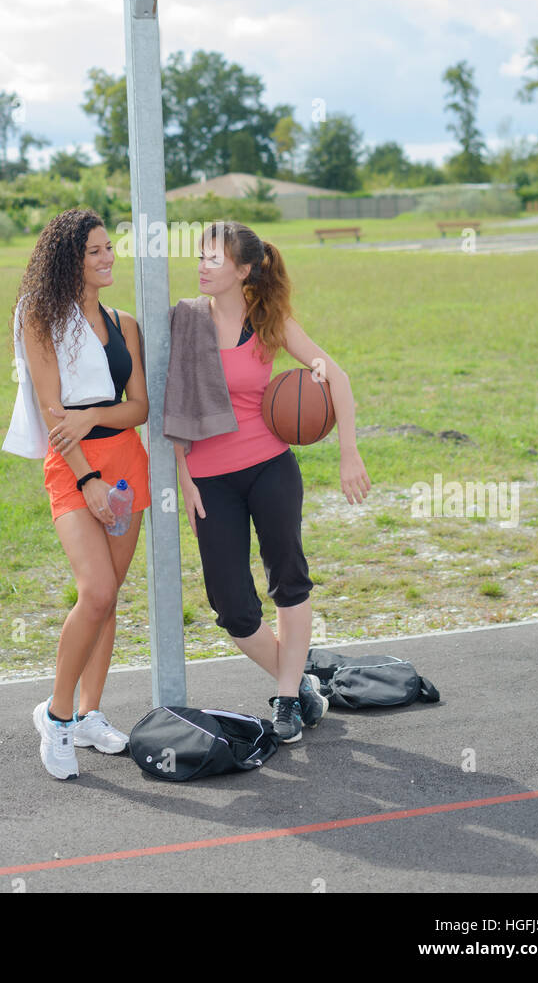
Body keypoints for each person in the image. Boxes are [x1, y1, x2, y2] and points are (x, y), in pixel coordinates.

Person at [172, 221, 371, 743]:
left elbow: (338, 376)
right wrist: (183, 476)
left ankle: (285, 699)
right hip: (209, 480)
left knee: (288, 578)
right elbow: (173, 403)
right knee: (232, 605)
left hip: (270, 468)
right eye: (200, 256)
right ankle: (301, 681)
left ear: (242, 270)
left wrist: (348, 451)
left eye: (214, 259)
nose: (201, 266)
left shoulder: (270, 322)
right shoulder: (184, 320)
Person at [14, 208, 150, 780]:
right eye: (94, 250)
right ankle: (58, 715)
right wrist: (87, 480)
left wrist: (93, 411)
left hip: (126, 461)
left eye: (110, 247)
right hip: (74, 467)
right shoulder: (40, 316)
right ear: (70, 256)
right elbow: (52, 413)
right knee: (93, 592)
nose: (108, 257)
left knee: (110, 595)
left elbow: (139, 406)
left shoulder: (125, 322)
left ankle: (92, 713)